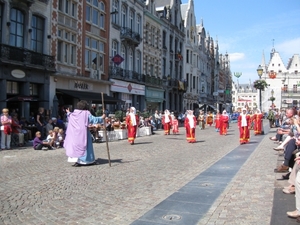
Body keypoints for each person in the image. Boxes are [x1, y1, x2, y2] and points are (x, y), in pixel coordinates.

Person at [64, 100, 105, 166]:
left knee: (77, 147)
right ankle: (88, 160)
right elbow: (93, 119)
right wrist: (102, 117)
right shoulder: (86, 113)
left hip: (75, 134)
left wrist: (68, 112)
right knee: (86, 146)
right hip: (84, 133)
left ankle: (78, 160)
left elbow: (70, 115)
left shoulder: (74, 113)